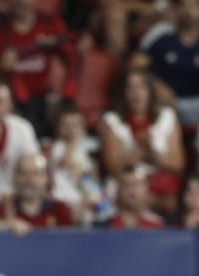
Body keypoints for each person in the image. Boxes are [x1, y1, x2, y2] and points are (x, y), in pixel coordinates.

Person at [0, 0, 78, 135]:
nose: (21, 2)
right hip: (11, 102)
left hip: (45, 100)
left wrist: (66, 92)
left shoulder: (50, 24)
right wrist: (0, 67)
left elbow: (72, 57)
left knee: (67, 119)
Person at [98, 68, 185, 215]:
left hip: (159, 189)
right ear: (123, 93)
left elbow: (178, 164)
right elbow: (112, 167)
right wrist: (140, 150)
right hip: (125, 187)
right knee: (126, 192)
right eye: (130, 88)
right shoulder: (111, 120)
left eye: (140, 87)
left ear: (149, 91)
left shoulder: (167, 117)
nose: (136, 93)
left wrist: (152, 152)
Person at [145, 0, 199, 124]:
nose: (189, 12)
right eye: (184, 6)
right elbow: (136, 66)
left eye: (194, 6)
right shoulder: (162, 33)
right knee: (163, 110)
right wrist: (155, 84)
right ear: (177, 9)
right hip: (168, 102)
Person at [48, 105, 104, 220]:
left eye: (75, 125)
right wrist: (73, 141)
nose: (71, 129)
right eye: (66, 125)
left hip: (83, 197)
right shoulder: (58, 147)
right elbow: (64, 162)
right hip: (63, 197)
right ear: (58, 127)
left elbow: (91, 176)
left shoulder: (85, 148)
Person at [5, 154, 75, 229]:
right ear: (15, 177)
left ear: (47, 178)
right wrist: (4, 225)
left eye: (36, 174)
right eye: (23, 173)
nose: (29, 180)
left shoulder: (60, 211)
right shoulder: (0, 210)